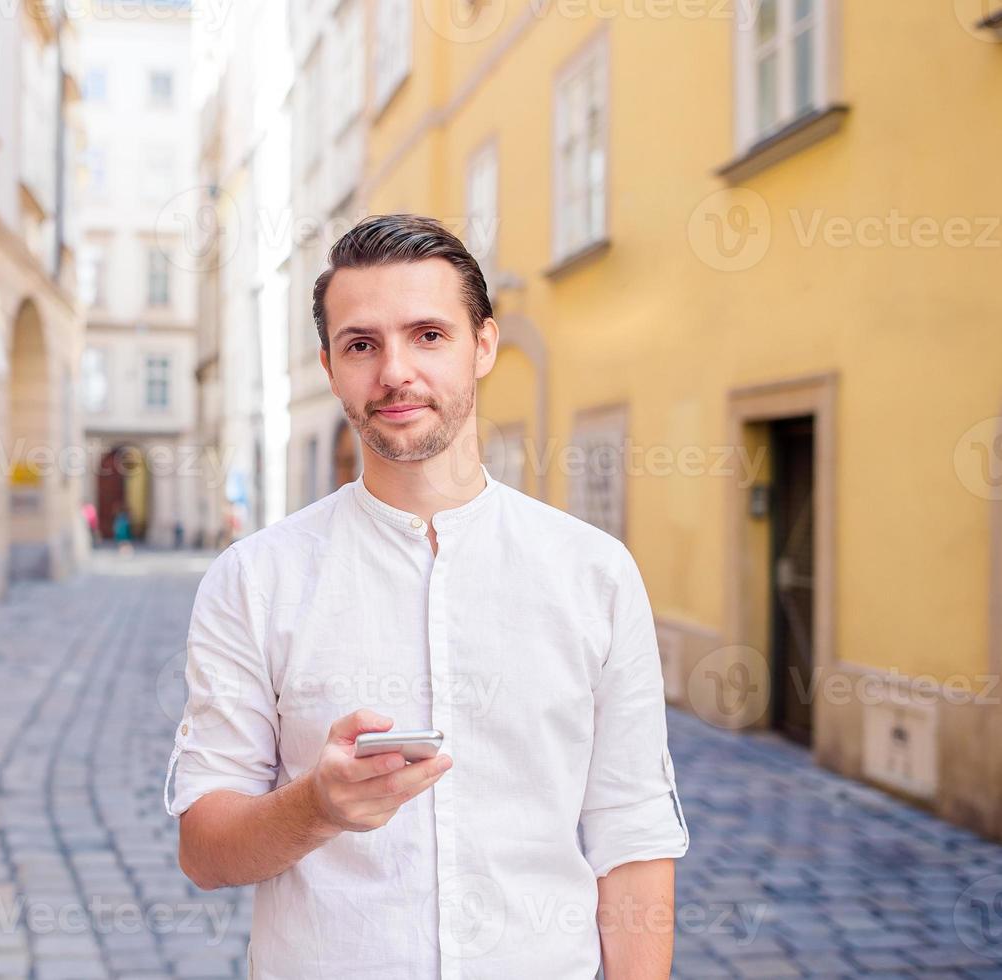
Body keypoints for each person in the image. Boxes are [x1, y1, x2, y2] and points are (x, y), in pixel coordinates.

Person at [164, 214, 688, 978]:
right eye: (362, 344)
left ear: (483, 346)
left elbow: (633, 835)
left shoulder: (593, 574)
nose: (394, 373)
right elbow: (205, 852)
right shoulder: (254, 580)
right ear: (329, 365)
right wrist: (318, 806)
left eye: (429, 335)